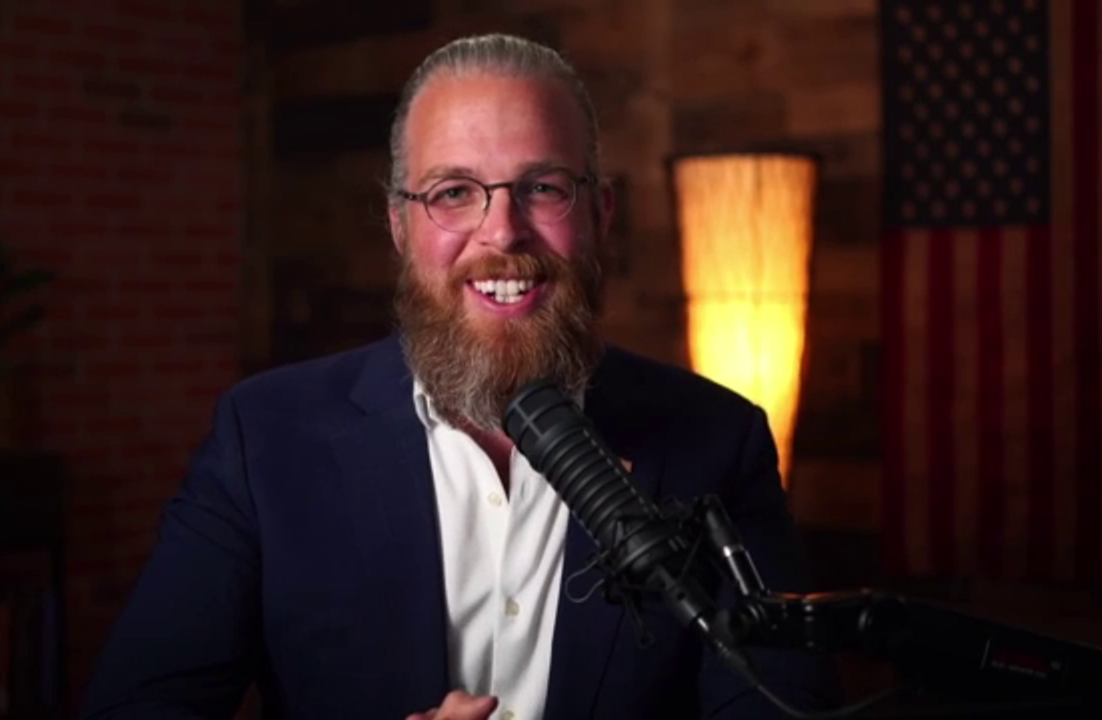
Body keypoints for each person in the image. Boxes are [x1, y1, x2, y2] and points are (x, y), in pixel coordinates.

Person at [82, 34, 840, 719]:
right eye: (452, 193)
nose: (502, 231)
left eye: (543, 187)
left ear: (600, 214)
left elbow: (775, 706)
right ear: (398, 225)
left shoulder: (719, 440)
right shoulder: (265, 439)